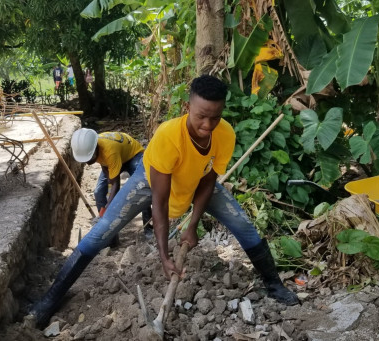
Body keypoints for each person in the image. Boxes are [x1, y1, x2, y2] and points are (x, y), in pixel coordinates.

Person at [28, 75, 298, 328]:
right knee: (102, 232)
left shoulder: (224, 133)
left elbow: (208, 181)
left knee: (244, 226)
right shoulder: (169, 136)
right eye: (201, 116)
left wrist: (193, 225)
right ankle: (50, 299)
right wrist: (164, 255)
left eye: (215, 117)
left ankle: (274, 284)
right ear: (187, 107)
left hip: (197, 179)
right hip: (150, 182)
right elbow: (159, 202)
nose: (207, 126)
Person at [70, 128, 153, 237]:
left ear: (96, 149)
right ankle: (109, 234)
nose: (87, 162)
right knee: (99, 192)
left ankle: (148, 229)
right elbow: (103, 163)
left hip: (133, 155)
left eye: (89, 158)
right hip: (116, 156)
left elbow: (115, 184)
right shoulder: (91, 146)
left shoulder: (109, 151)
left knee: (141, 188)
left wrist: (108, 206)